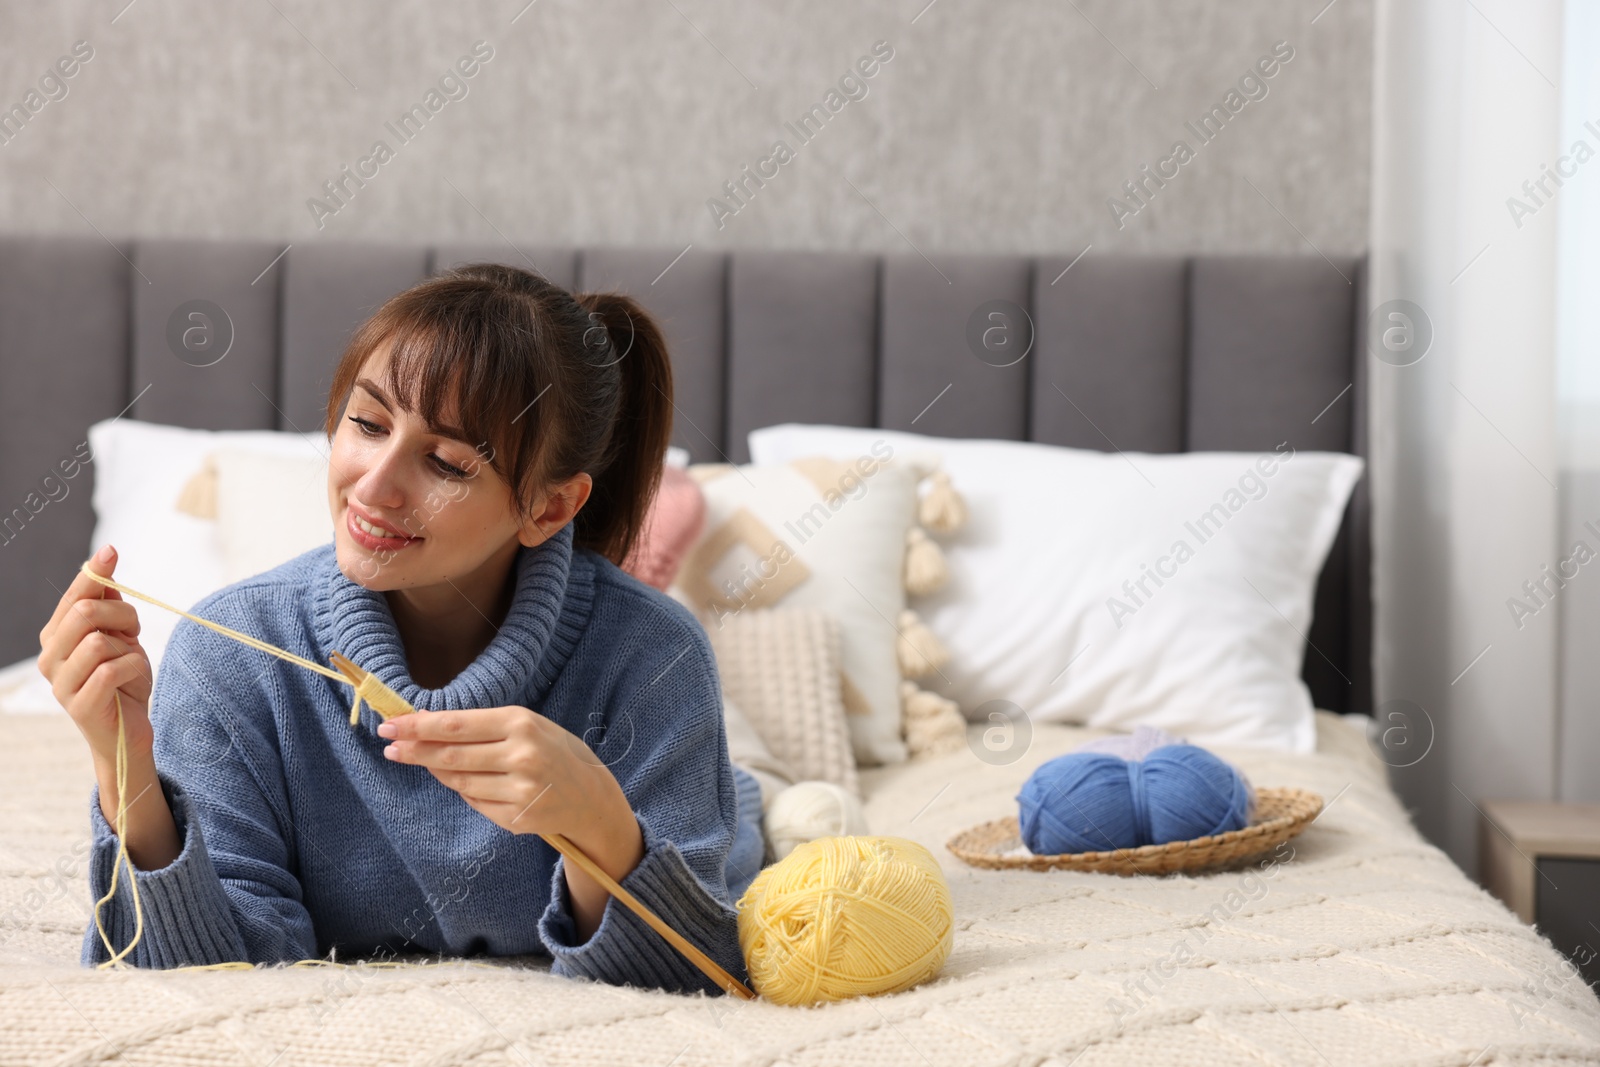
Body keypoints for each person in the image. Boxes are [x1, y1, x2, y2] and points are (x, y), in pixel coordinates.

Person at [35, 263, 762, 994]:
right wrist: (126, 767)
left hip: (693, 790)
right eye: (368, 422)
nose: (374, 485)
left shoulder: (655, 656)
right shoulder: (229, 651)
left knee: (758, 820)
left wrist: (600, 832)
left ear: (548, 508)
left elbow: (704, 975)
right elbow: (211, 980)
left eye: (446, 461)